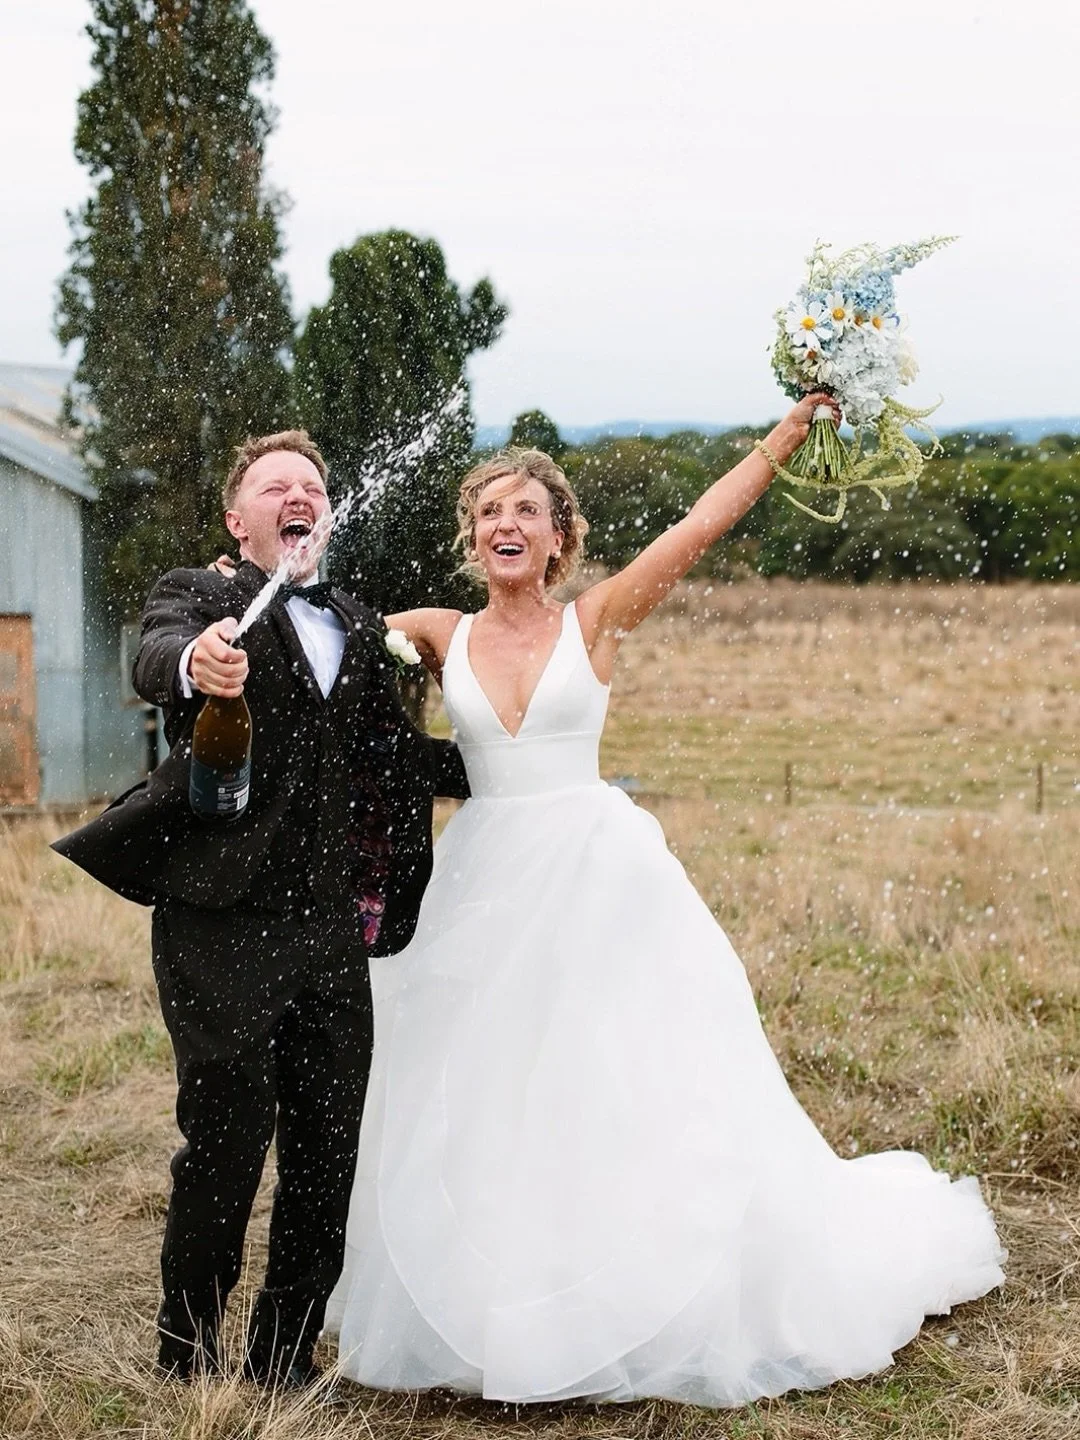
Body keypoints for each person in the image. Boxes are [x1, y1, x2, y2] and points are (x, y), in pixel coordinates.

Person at [323, 395, 1005, 1406]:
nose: (507, 523)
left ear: (558, 539)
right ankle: (501, 1301)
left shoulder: (596, 618)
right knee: (483, 1084)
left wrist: (784, 439)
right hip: (482, 880)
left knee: (620, 1071)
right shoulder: (432, 632)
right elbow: (312, 647)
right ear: (472, 538)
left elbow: (698, 527)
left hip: (598, 877)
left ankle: (634, 1288)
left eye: (527, 511)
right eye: (490, 511)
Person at [52, 430, 469, 1388]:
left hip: (330, 931)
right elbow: (158, 654)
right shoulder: (202, 598)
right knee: (227, 1142)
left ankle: (284, 1360)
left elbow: (393, 754)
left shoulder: (357, 624)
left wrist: (521, 770)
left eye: (311, 487)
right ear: (238, 522)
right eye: (275, 486)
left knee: (328, 1150)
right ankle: (187, 1355)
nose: (298, 497)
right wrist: (197, 660)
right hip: (220, 923)